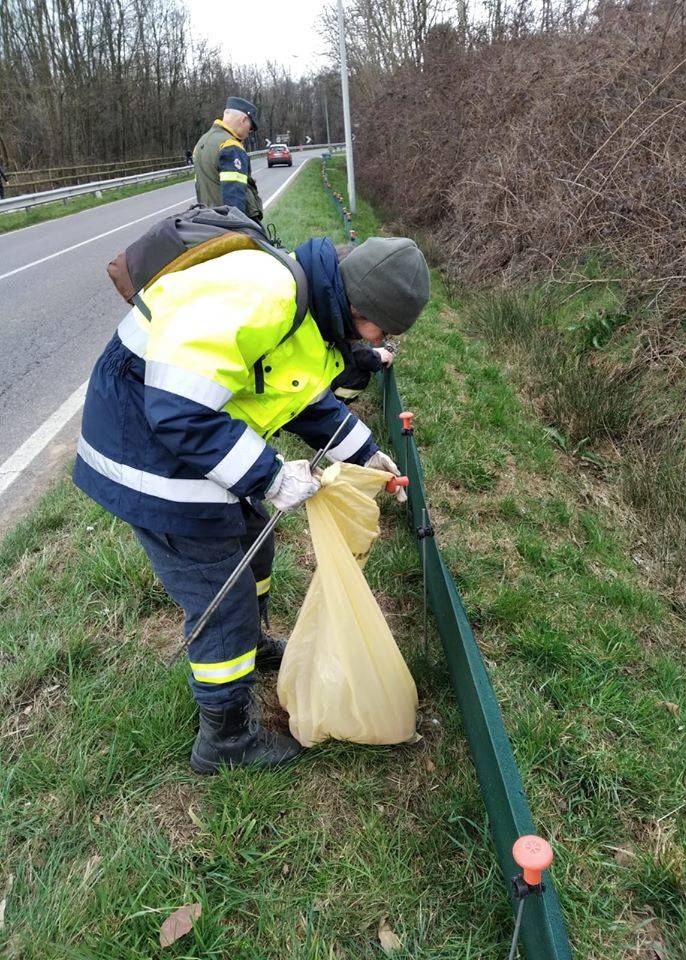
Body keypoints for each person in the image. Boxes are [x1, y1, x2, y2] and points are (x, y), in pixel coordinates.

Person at [73, 232, 430, 774]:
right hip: (143, 443)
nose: (383, 340)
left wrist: (368, 454)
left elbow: (304, 400)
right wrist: (267, 474)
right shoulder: (266, 295)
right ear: (362, 308)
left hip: (178, 432)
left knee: (252, 540)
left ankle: (253, 642)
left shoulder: (311, 316)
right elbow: (177, 409)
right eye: (387, 329)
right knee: (222, 586)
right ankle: (226, 737)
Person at [193, 96, 263, 223]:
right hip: (226, 227)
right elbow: (234, 202)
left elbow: (200, 188)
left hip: (207, 222)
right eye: (251, 127)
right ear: (243, 119)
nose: (249, 132)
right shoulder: (231, 146)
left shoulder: (201, 142)